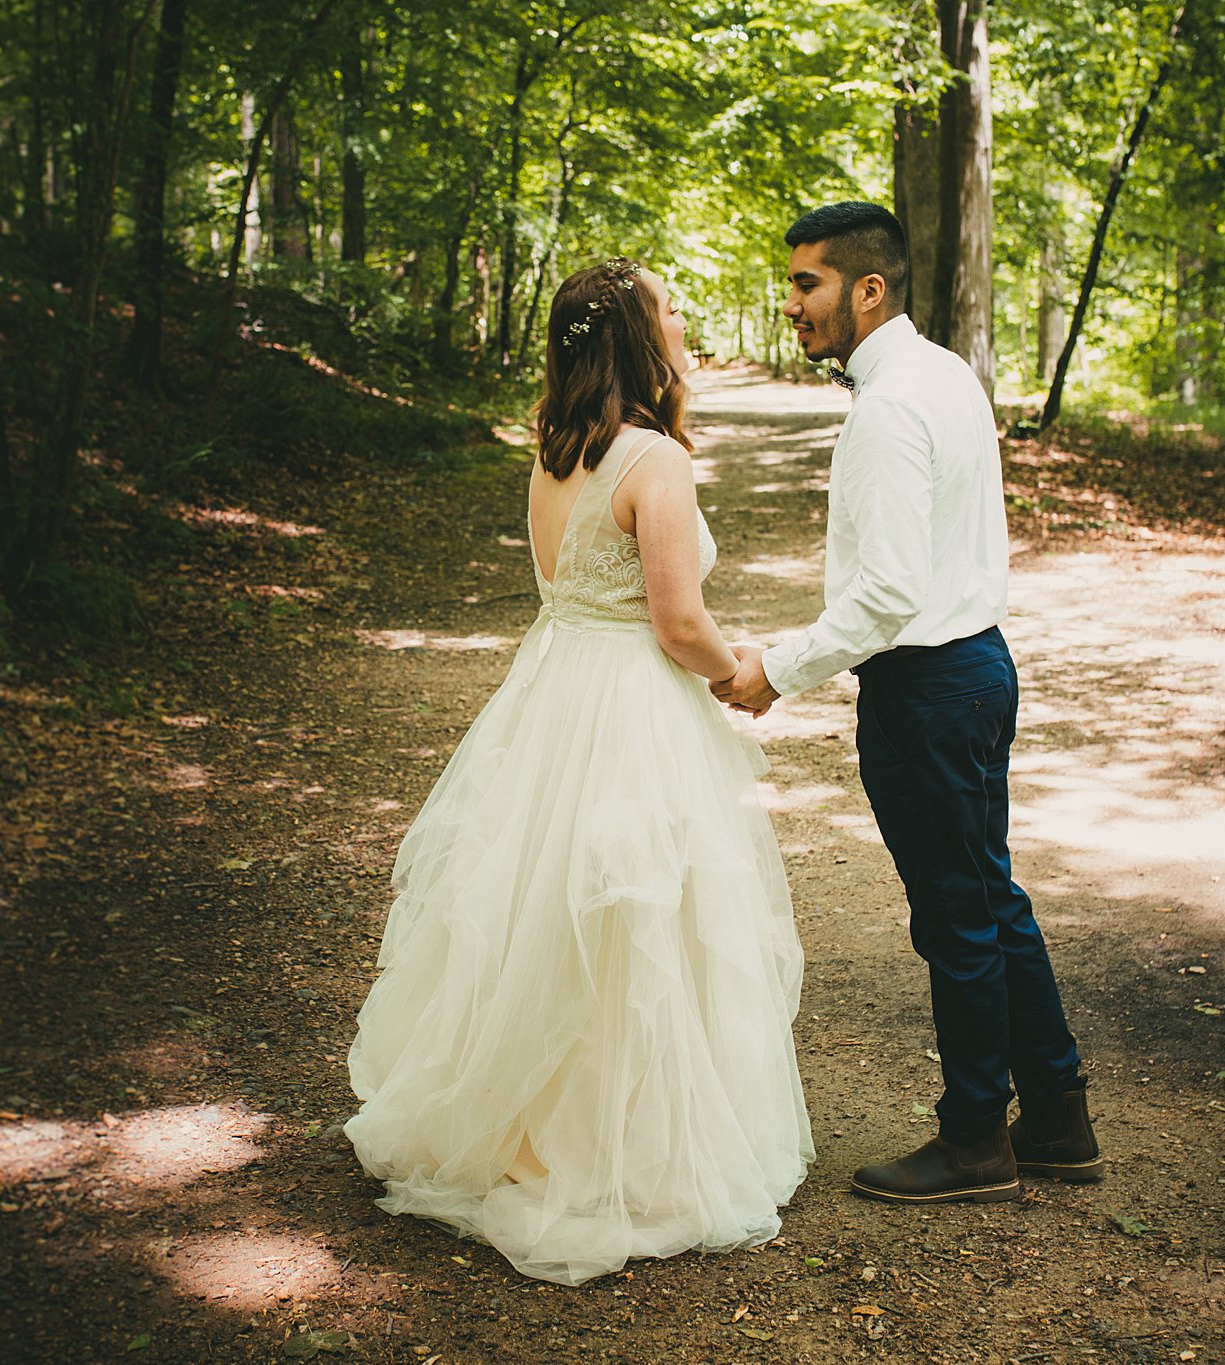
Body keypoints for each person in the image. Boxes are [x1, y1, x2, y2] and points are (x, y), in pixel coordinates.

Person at [344, 258, 815, 1284]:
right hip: (631, 703)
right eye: (671, 309)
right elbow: (675, 620)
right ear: (640, 339)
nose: (685, 321)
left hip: (553, 689)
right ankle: (620, 1147)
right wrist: (743, 671)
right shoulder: (654, 460)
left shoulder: (553, 451)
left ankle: (522, 1126)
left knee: (543, 903)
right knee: (635, 915)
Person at [712, 202, 1105, 1203]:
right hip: (974, 669)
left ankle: (975, 1138)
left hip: (927, 689)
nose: (790, 301)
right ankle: (1055, 1115)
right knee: (988, 900)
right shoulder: (941, 374)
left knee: (957, 921)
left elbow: (886, 593)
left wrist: (780, 669)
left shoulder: (888, 407)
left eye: (807, 283)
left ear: (866, 288)